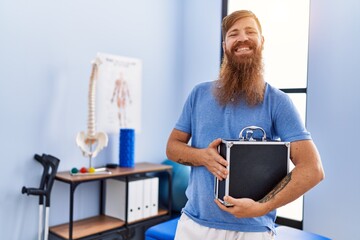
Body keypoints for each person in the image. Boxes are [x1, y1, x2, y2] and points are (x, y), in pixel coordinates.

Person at [166, 10, 325, 240]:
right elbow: (172, 147)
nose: (242, 38)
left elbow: (312, 169)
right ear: (225, 45)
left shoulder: (277, 102)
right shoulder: (199, 94)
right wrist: (203, 157)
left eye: (250, 31)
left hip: (252, 231)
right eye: (234, 34)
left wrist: (261, 207)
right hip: (193, 226)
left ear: (262, 41)